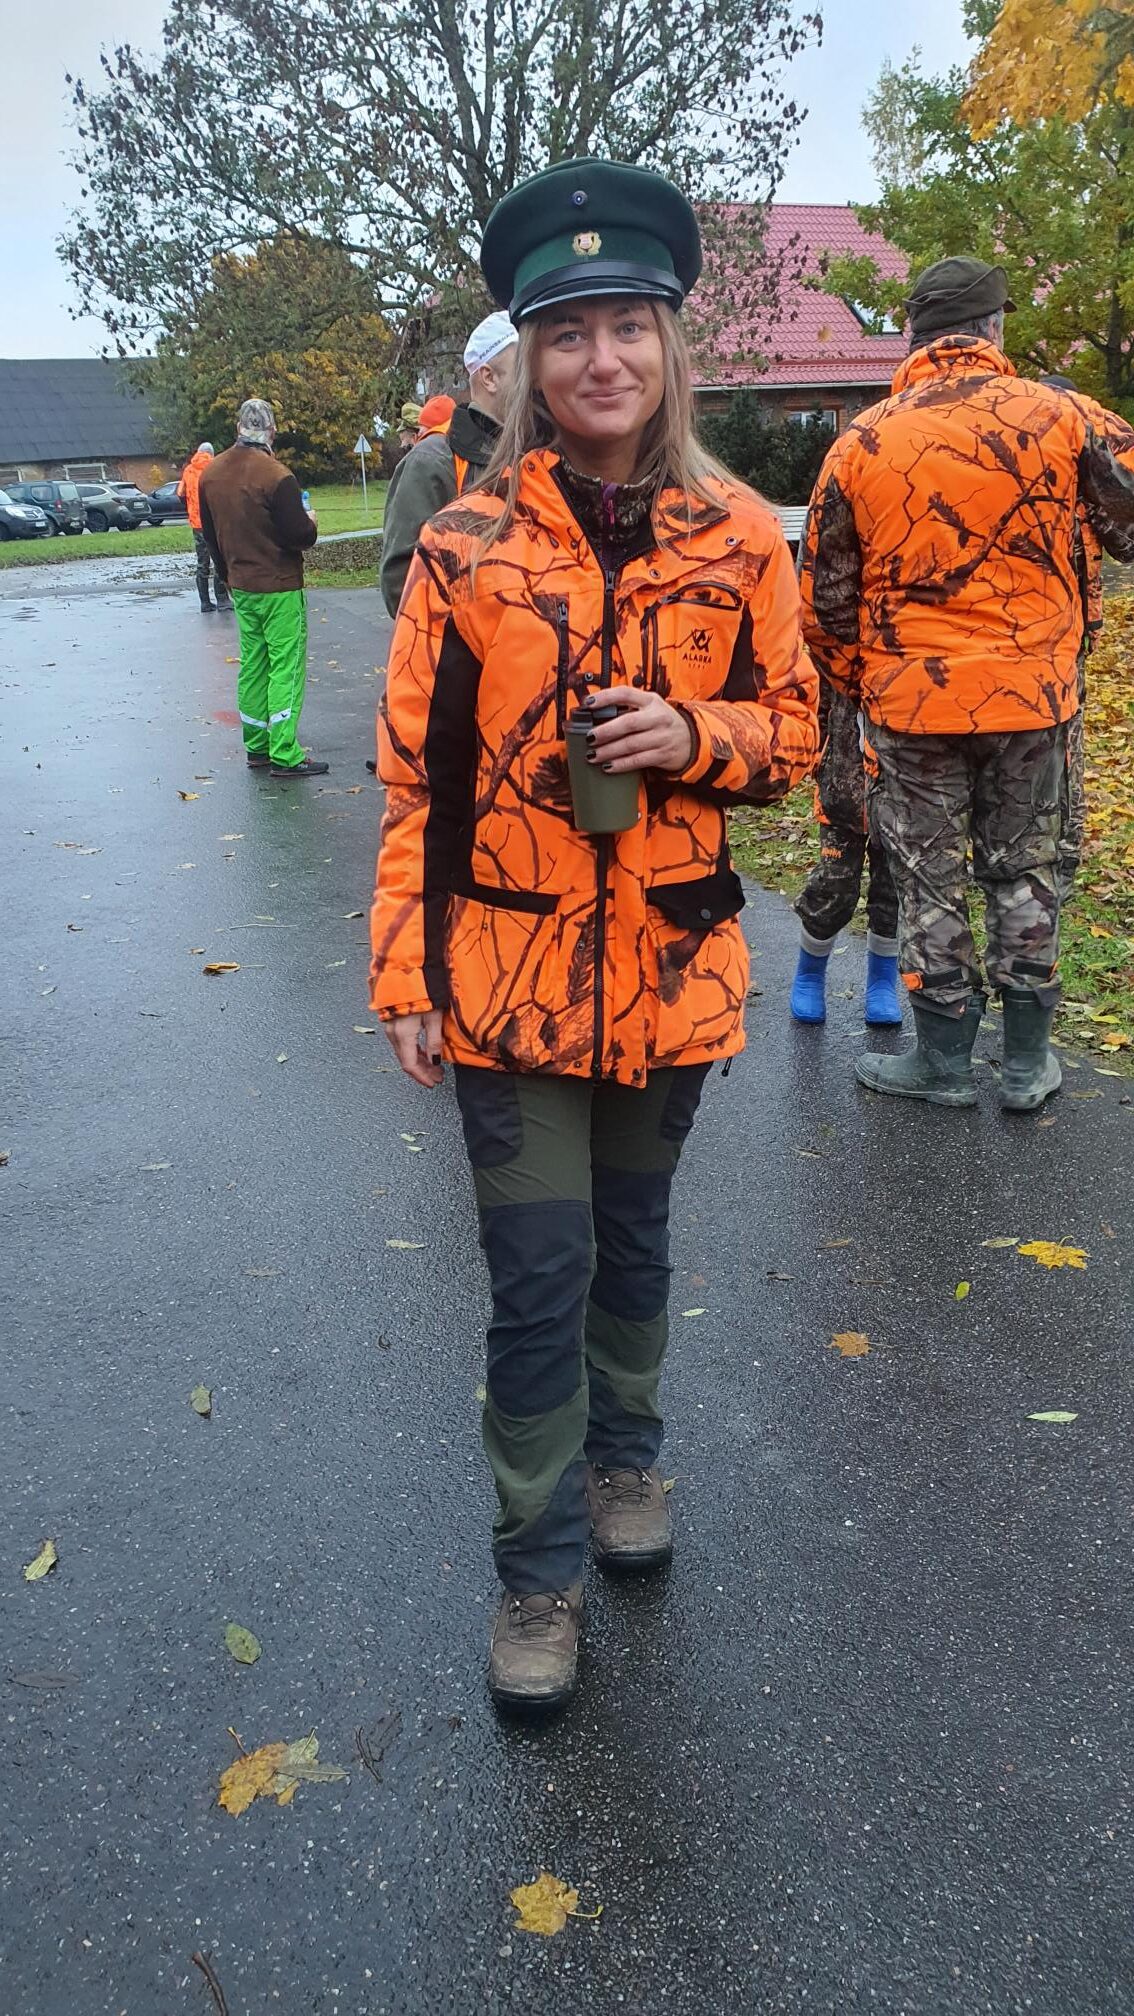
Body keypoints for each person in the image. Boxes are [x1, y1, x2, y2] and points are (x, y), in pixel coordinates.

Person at [370, 157, 819, 1713]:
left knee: (632, 1247)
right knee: (535, 1273)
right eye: (566, 333)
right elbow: (412, 782)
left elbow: (795, 734)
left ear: (669, 342)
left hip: (674, 974)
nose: (600, 358)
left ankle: (628, 1462)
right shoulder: (463, 549)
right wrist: (405, 972)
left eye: (626, 325)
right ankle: (536, 1572)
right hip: (503, 979)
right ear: (528, 360)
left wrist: (693, 735)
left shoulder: (741, 536)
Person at [800, 257, 1134, 1112]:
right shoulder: (1063, 417)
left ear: (914, 335)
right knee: (1024, 872)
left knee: (928, 880)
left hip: (910, 705)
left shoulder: (861, 441)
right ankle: (1025, 1065)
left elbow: (823, 602)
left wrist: (868, 683)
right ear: (993, 329)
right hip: (1033, 698)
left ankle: (943, 1062)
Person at [198, 398, 327, 779]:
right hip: (279, 585)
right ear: (271, 431)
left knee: (254, 664)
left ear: (238, 428)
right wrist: (311, 521)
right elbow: (299, 536)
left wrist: (227, 575)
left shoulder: (211, 475)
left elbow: (210, 536)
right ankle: (285, 751)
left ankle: (256, 744)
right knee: (285, 665)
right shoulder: (277, 476)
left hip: (241, 584)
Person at [379, 317, 519, 617]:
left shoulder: (536, 454)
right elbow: (402, 587)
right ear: (489, 377)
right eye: (524, 368)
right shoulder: (432, 463)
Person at [789, 684, 902, 1026]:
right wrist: (817, 758)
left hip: (900, 796)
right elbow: (815, 702)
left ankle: (882, 984)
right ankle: (809, 975)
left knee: (891, 892)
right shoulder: (839, 655)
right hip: (841, 791)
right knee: (833, 888)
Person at [1040, 374, 1105, 902]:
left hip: (1070, 640)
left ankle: (1067, 854)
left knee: (1068, 752)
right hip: (1030, 640)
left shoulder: (1087, 494)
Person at [176, 442, 230, 613]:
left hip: (197, 523)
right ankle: (222, 599)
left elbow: (180, 494)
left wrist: (192, 509)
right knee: (219, 560)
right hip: (215, 522)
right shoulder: (216, 468)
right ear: (211, 454)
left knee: (202, 562)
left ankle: (205, 602)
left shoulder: (188, 470)